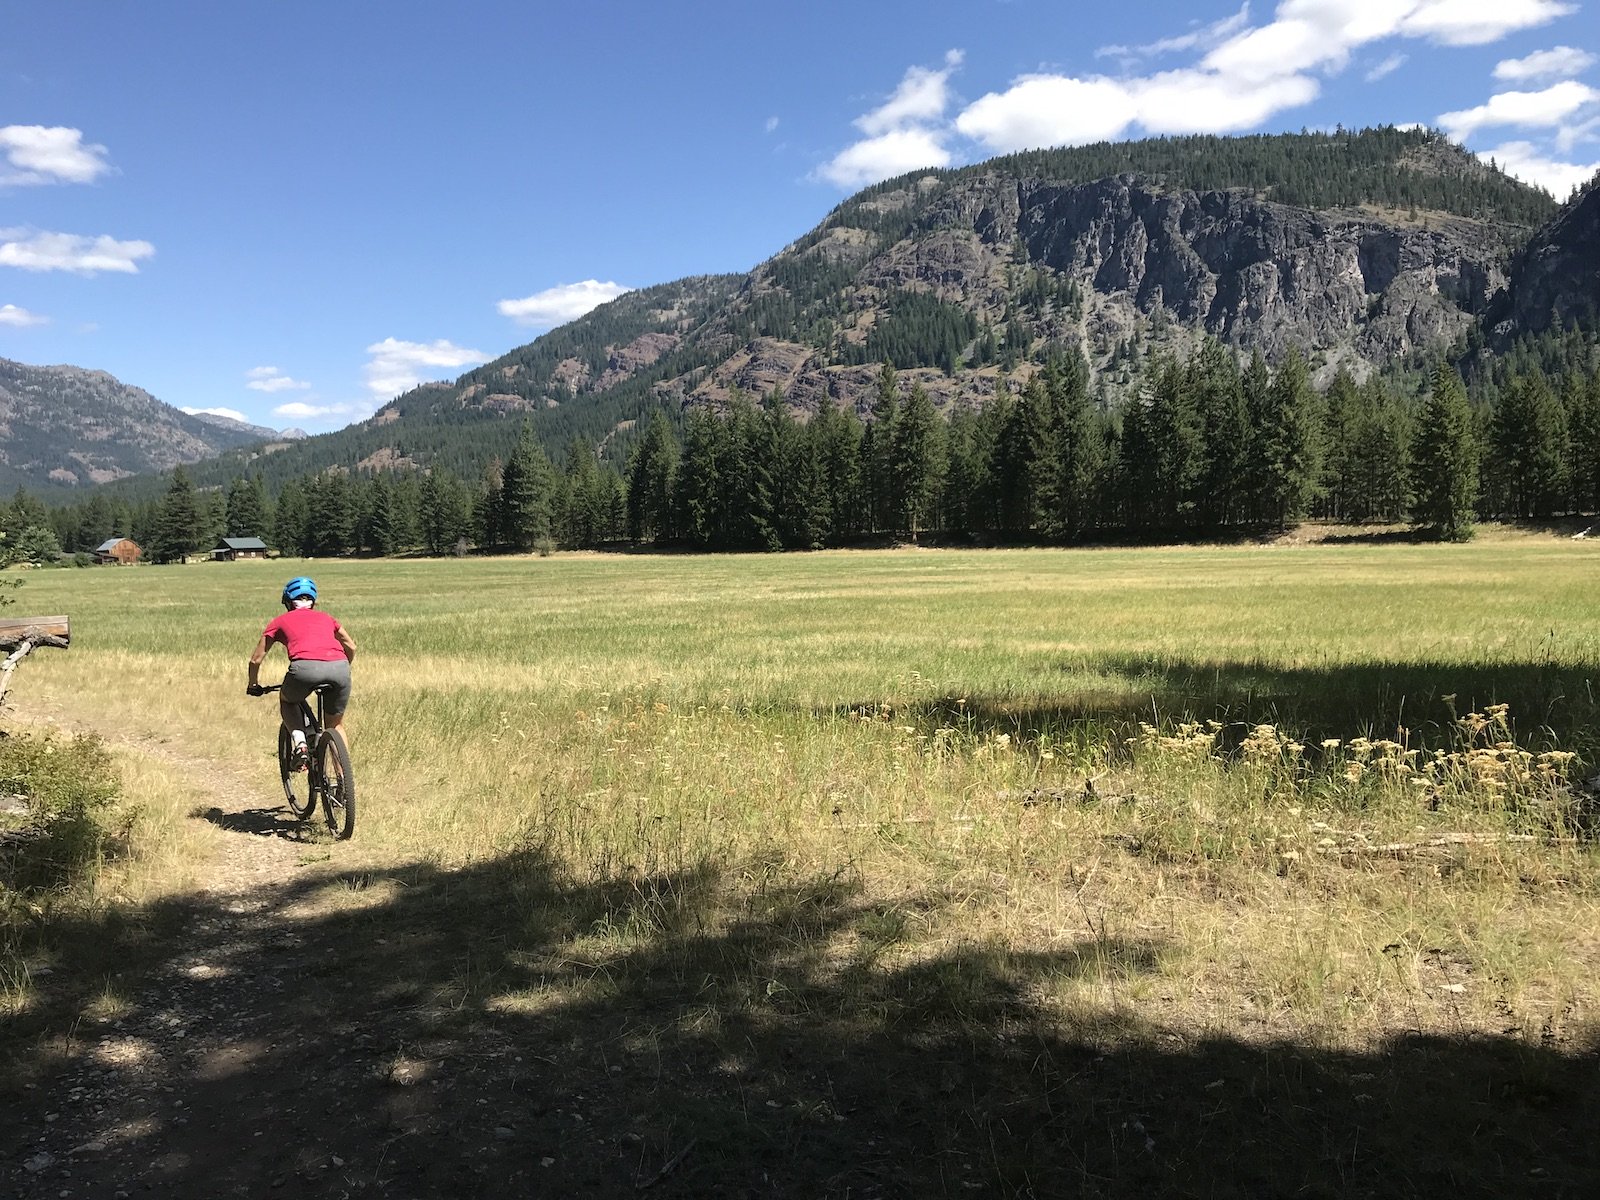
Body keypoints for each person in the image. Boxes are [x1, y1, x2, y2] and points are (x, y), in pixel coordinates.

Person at [246, 576, 356, 769]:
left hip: (304, 669)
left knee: (288, 700)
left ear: (288, 602)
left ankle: (301, 743)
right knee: (336, 726)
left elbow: (256, 659)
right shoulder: (327, 618)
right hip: (340, 667)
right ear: (313, 601)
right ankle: (342, 781)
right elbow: (351, 646)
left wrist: (253, 685)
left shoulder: (279, 621)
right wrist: (342, 668)